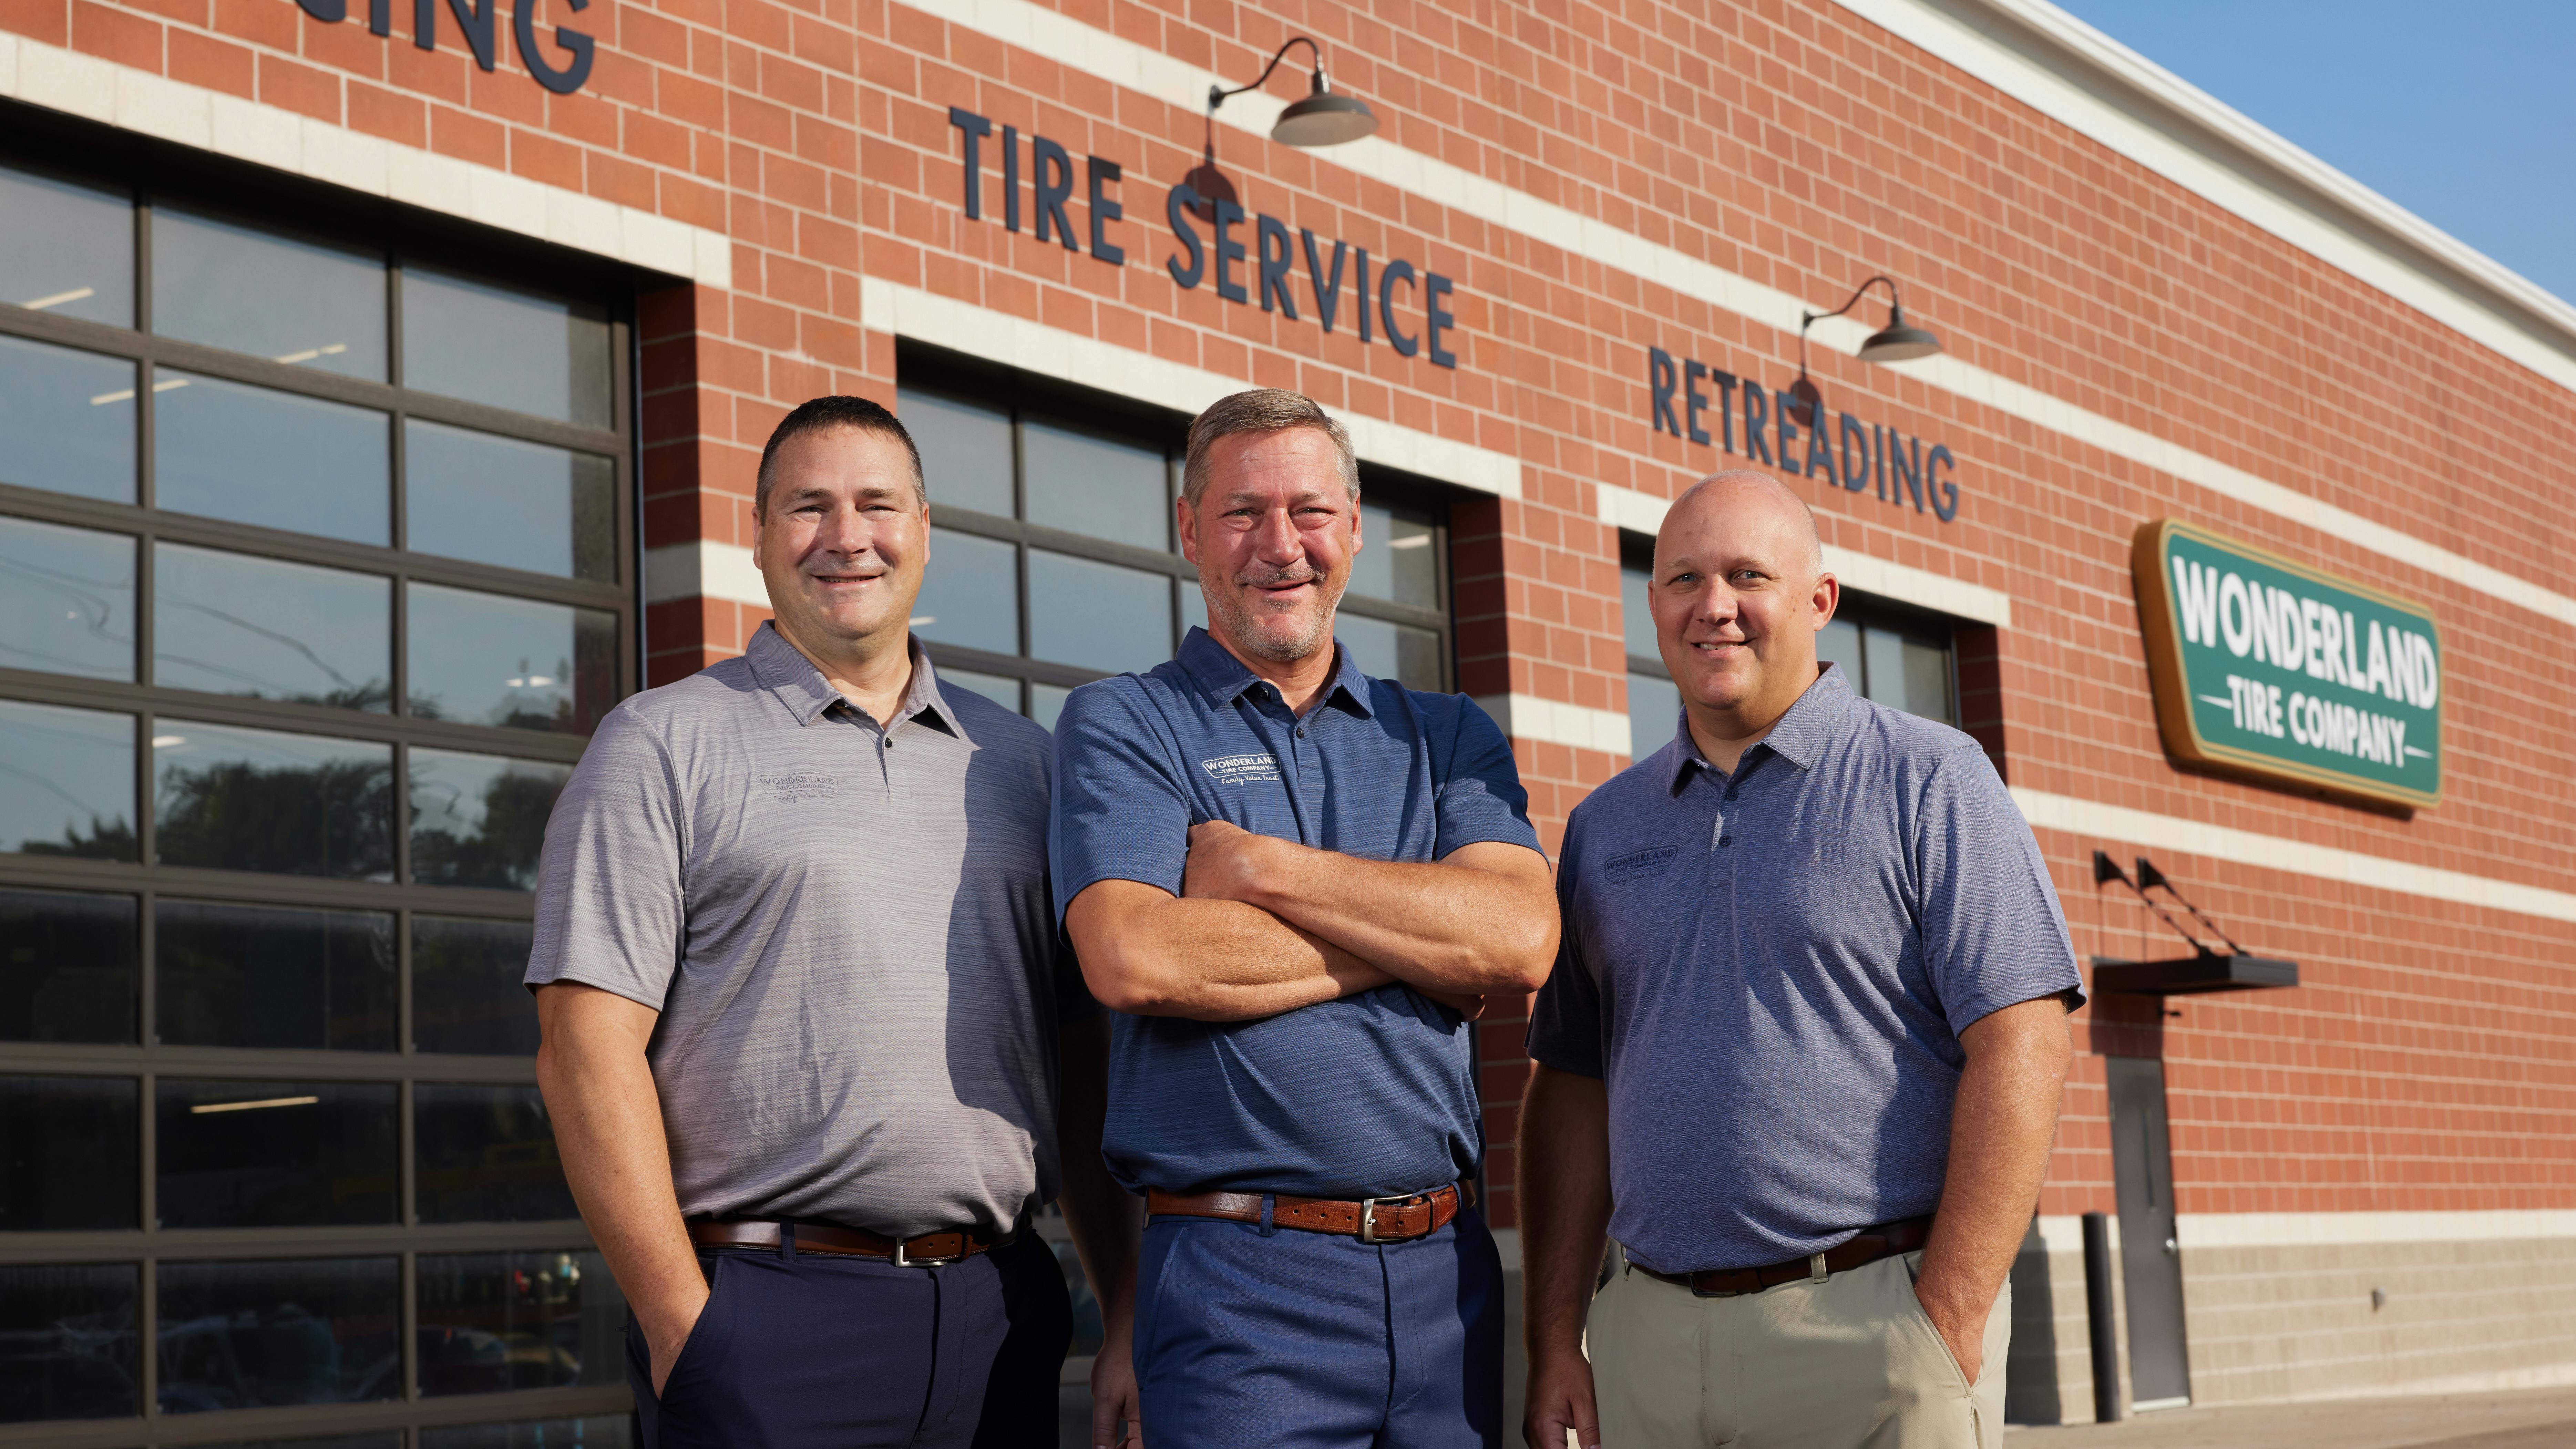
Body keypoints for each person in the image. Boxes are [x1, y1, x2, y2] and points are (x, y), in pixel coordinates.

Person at [526, 395, 1141, 1449]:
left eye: (876, 505)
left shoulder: (1026, 767)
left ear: (925, 532)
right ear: (757, 535)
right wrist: (686, 1323)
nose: (846, 537)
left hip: (1002, 1306)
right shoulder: (662, 744)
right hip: (767, 1314)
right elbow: (585, 1051)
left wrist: (1122, 1309)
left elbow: (1084, 1063)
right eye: (808, 508)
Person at [1520, 470, 2081, 1449]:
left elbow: (2023, 1044)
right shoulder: (1605, 827)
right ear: (1651, 604)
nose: (1715, 608)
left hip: (1866, 1332)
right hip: (1647, 1344)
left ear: (1820, 600)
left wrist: (1944, 1320)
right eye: (1684, 580)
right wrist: (1558, 1338)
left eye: (1748, 576)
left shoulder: (1931, 779)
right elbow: (1570, 1085)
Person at [1048, 388, 1561, 1447]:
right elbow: (1134, 956)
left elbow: (1517, 940)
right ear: (1189, 530)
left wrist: (1264, 870)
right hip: (1240, 1288)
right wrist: (1418, 942)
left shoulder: (1446, 734)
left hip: (1446, 1281)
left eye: (1310, 512)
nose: (1281, 547)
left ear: (1358, 528)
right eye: (1243, 513)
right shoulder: (1125, 721)